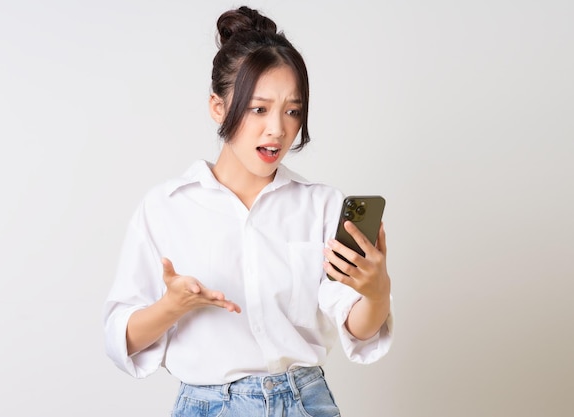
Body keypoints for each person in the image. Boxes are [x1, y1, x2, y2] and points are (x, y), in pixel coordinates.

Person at [104, 5, 393, 416]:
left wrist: (377, 290)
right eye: (259, 109)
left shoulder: (322, 205)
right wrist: (172, 306)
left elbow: (358, 328)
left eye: (292, 110)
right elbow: (121, 339)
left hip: (305, 403)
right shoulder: (166, 208)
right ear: (218, 108)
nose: (278, 128)